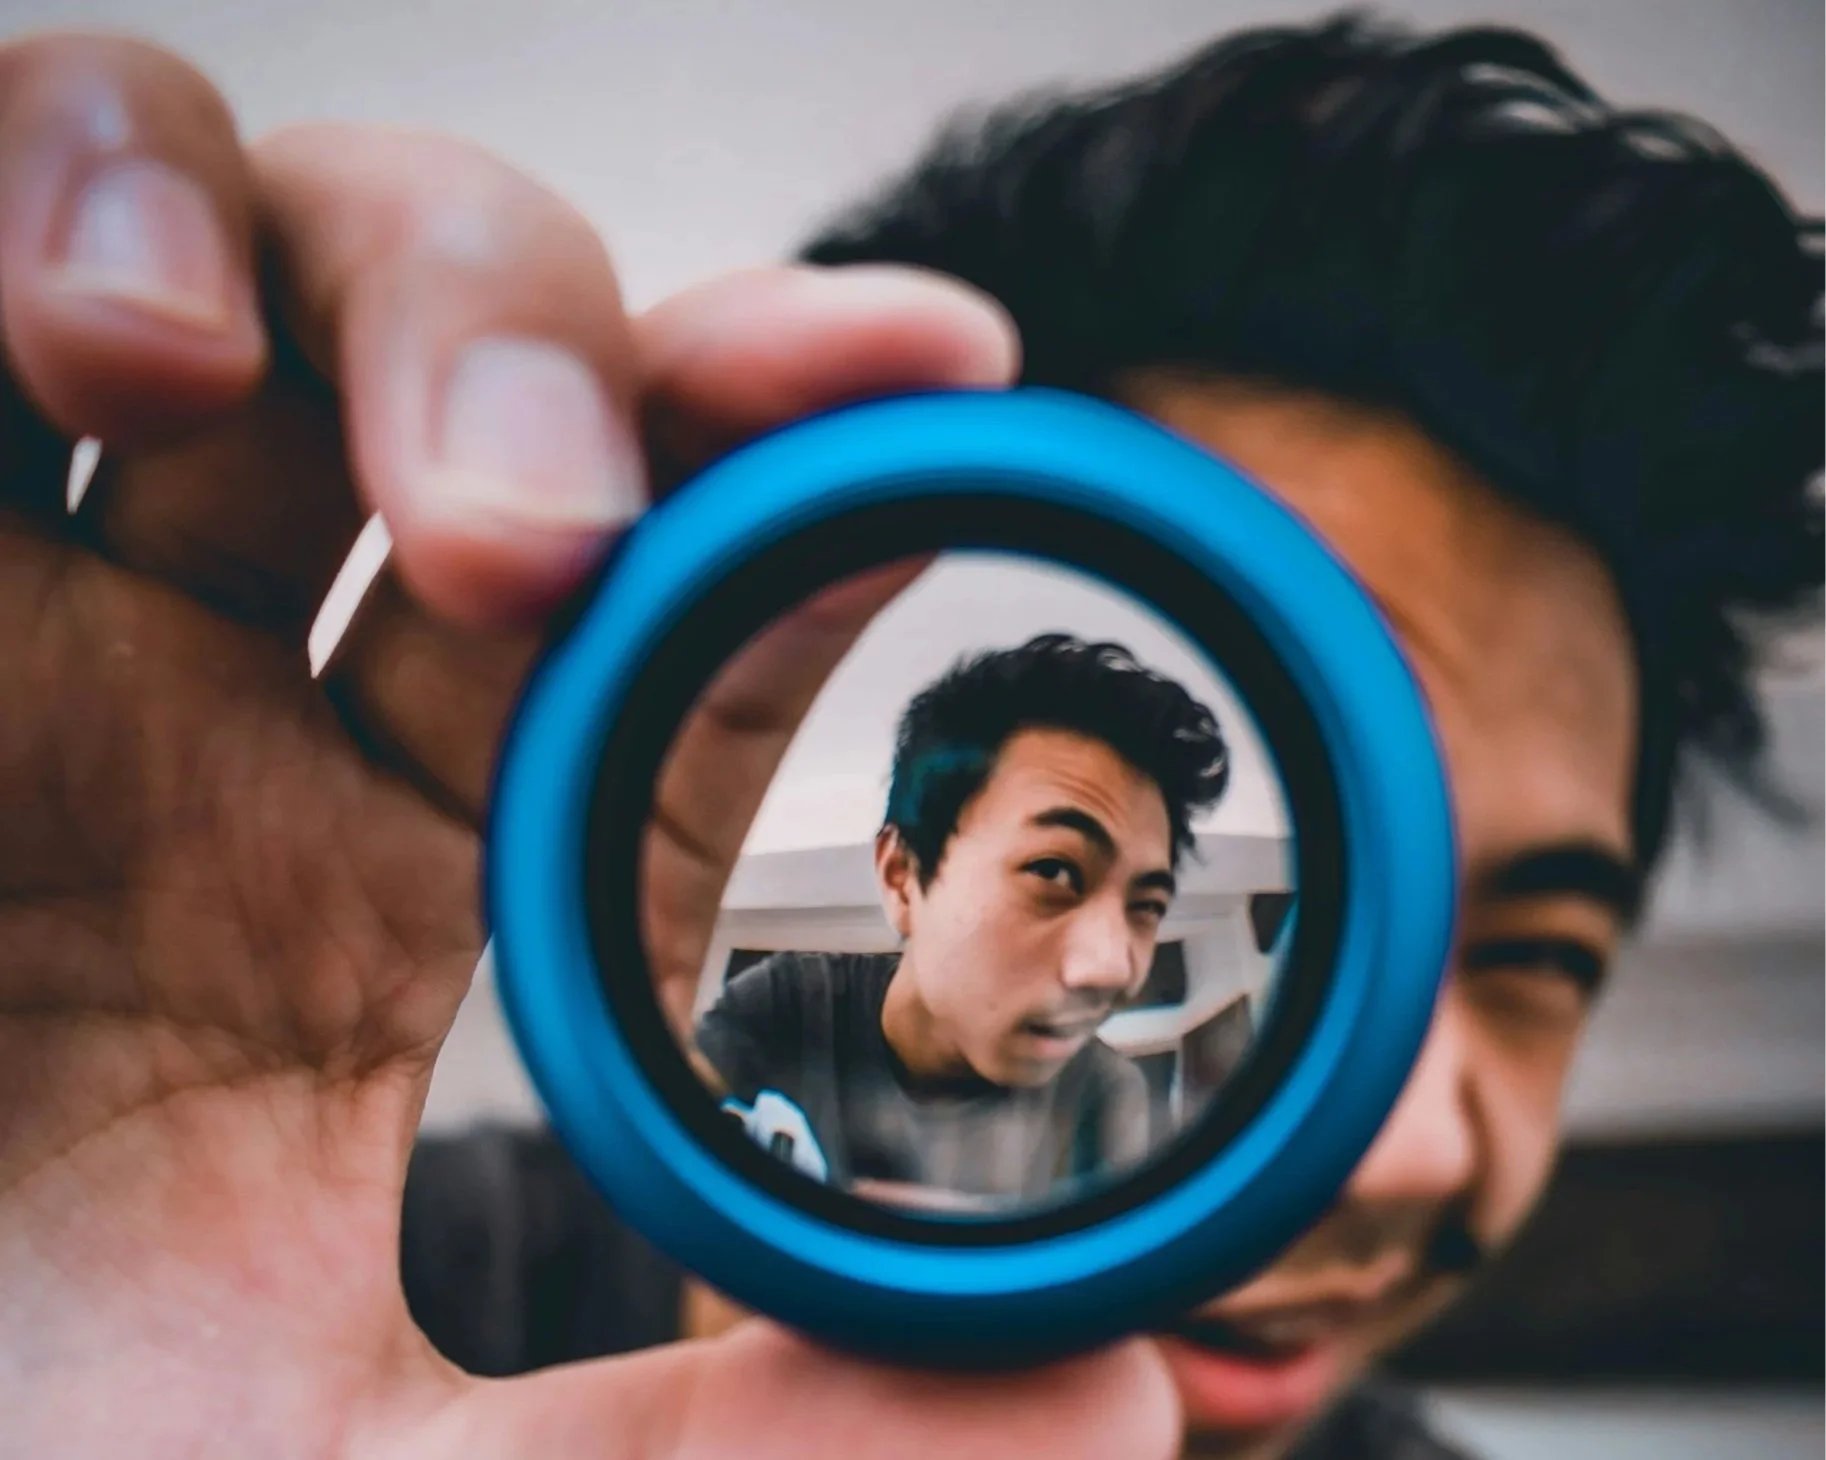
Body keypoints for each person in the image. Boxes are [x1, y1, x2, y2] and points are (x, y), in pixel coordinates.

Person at [0, 12, 1816, 1460]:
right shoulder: (366, 1270)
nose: (1403, 1144)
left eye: (1533, 954)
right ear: (897, 865)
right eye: (1053, 871)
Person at [694, 633, 1229, 1203]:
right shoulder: (789, 1004)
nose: (1113, 970)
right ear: (902, 875)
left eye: (1146, 906)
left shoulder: (1103, 1095)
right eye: (1053, 871)